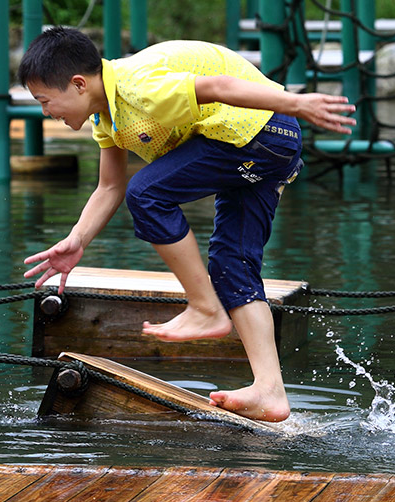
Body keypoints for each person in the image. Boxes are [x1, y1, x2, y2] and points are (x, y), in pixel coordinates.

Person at [18, 27, 355, 422]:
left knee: (147, 192)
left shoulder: (138, 86)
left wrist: (295, 103)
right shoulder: (106, 118)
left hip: (263, 130)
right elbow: (109, 186)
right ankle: (270, 391)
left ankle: (204, 307)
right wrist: (77, 241)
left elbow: (221, 85)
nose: (45, 113)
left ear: (78, 84)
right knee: (233, 265)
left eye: (45, 101)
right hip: (259, 143)